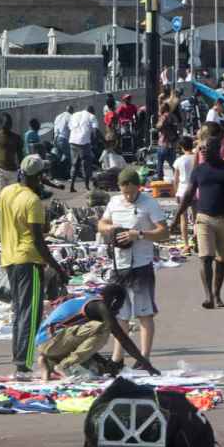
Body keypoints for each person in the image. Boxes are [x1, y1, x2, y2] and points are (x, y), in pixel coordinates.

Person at [0, 155, 68, 377]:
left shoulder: (6, 192)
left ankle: (19, 359)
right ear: (38, 176)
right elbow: (39, 240)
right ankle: (23, 364)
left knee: (20, 311)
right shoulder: (32, 201)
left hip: (9, 258)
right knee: (31, 313)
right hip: (28, 260)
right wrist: (57, 268)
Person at [97, 167, 169, 368]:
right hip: (119, 264)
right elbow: (101, 223)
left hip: (141, 264)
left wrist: (139, 234)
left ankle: (144, 357)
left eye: (131, 191)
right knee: (120, 315)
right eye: (124, 191)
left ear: (138, 187)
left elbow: (164, 232)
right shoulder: (114, 202)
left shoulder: (149, 203)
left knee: (144, 313)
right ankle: (117, 357)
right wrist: (109, 229)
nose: (128, 195)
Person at [174, 136, 224, 309]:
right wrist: (178, 215)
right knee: (206, 258)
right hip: (204, 219)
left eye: (206, 148)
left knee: (221, 260)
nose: (203, 151)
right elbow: (188, 195)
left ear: (218, 149)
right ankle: (208, 296)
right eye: (201, 149)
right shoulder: (199, 170)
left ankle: (217, 294)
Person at [35, 285, 160, 380]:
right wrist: (145, 363)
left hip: (50, 343)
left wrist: (103, 363)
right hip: (51, 341)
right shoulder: (100, 307)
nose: (117, 311)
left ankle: (49, 361)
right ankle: (66, 365)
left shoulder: (91, 302)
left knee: (99, 370)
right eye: (119, 306)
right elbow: (122, 337)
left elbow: (86, 343)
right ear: (114, 301)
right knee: (103, 328)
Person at [0, 113, 25, 201]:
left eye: (9, 122)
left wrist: (22, 171)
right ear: (1, 123)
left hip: (13, 171)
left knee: (12, 199)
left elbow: (20, 155)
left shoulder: (17, 138)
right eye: (6, 122)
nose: (8, 124)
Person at [171, 136, 197, 256]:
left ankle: (186, 245)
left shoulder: (179, 160)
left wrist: (176, 192)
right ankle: (197, 240)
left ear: (181, 147)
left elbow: (175, 179)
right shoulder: (196, 158)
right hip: (196, 190)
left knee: (183, 219)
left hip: (182, 191)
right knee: (197, 218)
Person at [68, 105, 97, 193]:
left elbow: (70, 127)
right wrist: (93, 141)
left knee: (74, 165)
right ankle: (87, 186)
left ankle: (72, 186)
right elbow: (95, 131)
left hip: (72, 141)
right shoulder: (92, 116)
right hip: (84, 142)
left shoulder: (74, 115)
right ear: (92, 111)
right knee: (86, 164)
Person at [155, 102, 180, 181]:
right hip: (172, 144)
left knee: (160, 163)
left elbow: (159, 126)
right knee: (173, 165)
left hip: (163, 143)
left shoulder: (164, 116)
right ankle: (177, 180)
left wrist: (157, 125)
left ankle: (160, 181)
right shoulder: (173, 116)